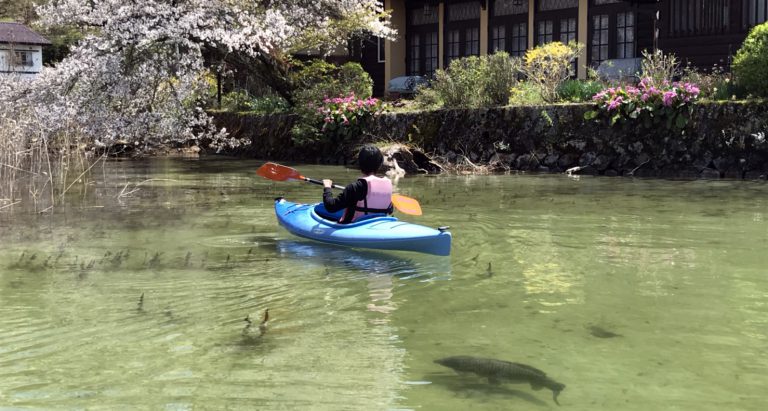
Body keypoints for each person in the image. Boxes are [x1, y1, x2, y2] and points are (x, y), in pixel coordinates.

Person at [322, 145, 393, 223]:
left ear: (360, 163)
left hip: (354, 226)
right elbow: (390, 210)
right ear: (380, 164)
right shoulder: (388, 184)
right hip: (380, 224)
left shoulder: (355, 187)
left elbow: (331, 207)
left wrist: (327, 188)